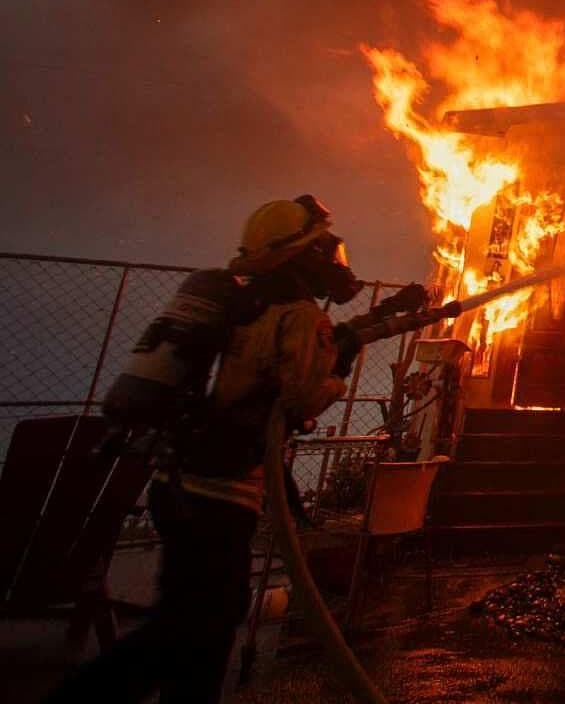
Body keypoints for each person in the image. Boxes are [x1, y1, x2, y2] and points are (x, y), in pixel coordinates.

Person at [48, 195, 365, 704]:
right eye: (322, 249)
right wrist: (340, 365)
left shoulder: (238, 300)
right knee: (196, 623)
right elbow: (302, 396)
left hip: (173, 482)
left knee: (201, 622)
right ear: (300, 256)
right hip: (222, 491)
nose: (334, 260)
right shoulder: (299, 316)